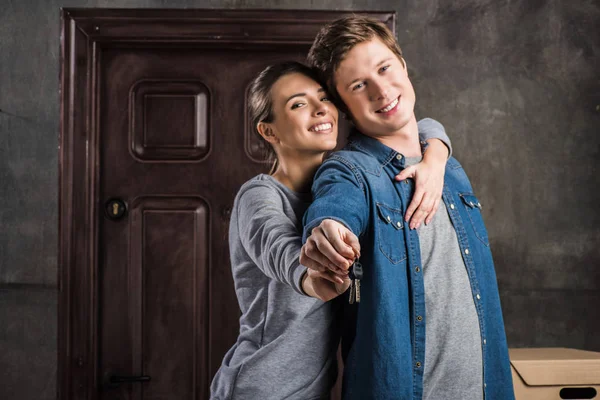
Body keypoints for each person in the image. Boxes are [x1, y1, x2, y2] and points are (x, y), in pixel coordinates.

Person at [300, 16, 515, 400]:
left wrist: (436, 152)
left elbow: (430, 130)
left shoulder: (449, 169)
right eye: (358, 85)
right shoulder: (350, 170)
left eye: (384, 68)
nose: (381, 91)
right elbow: (334, 208)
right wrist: (326, 230)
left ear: (403, 64)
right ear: (344, 106)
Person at [210, 61, 453, 399]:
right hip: (260, 387)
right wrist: (311, 276)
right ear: (269, 131)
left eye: (323, 98)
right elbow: (276, 247)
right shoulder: (260, 195)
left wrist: (436, 157)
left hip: (315, 389)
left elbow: (423, 125)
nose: (320, 109)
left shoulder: (343, 185)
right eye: (298, 104)